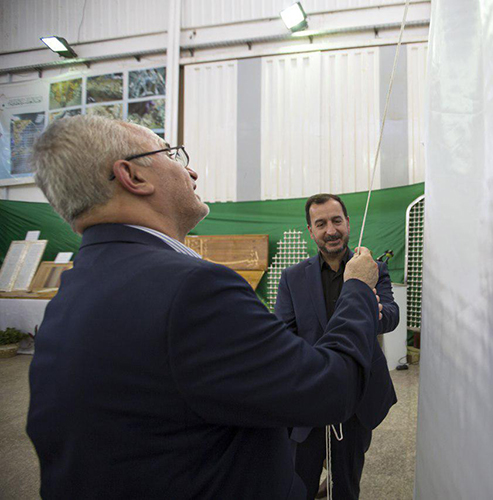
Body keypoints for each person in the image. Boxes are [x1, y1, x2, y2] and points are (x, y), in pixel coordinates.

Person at [26, 115, 384, 499]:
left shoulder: (70, 292)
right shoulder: (193, 288)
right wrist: (358, 288)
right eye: (172, 155)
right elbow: (329, 389)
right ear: (133, 176)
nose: (191, 172)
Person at [275, 193, 399, 500]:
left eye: (336, 221)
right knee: (299, 483)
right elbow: (284, 334)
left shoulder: (372, 269)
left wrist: (373, 313)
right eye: (321, 224)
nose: (331, 230)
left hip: (357, 398)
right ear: (310, 230)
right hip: (309, 398)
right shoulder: (292, 277)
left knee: (346, 484)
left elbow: (391, 315)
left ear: (348, 222)